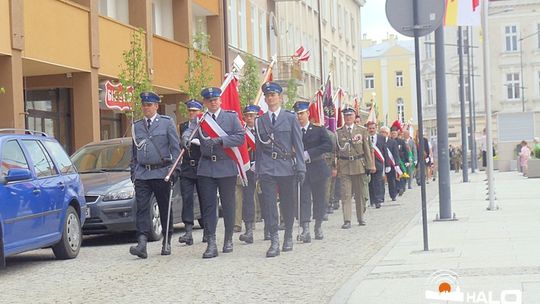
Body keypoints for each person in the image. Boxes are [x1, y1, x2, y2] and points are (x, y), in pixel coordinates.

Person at [182, 87, 245, 259]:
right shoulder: (200, 119)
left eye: (215, 99)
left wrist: (221, 140)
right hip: (207, 167)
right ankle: (211, 242)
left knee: (228, 204)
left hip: (226, 166)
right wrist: (185, 138)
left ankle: (228, 239)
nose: (213, 102)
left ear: (220, 100)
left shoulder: (230, 117)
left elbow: (240, 137)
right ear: (205, 103)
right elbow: (189, 131)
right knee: (209, 207)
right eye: (209, 100)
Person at [255, 81, 306, 257]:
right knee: (269, 205)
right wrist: (258, 170)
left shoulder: (290, 118)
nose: (270, 98)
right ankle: (274, 240)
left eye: (273, 95)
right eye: (267, 96)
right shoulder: (260, 121)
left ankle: (288, 236)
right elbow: (258, 149)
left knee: (287, 203)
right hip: (267, 167)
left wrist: (301, 167)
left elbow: (298, 145)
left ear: (280, 97)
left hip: (286, 167)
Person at [129, 91, 181, 258]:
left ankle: (166, 240)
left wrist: (175, 170)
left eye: (149, 105)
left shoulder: (166, 123)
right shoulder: (136, 126)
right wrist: (133, 172)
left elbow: (175, 148)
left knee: (164, 207)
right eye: (144, 105)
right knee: (142, 208)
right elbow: (134, 152)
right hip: (143, 173)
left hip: (161, 172)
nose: (146, 108)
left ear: (156, 106)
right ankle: (142, 242)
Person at [293, 101, 333, 242]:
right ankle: (305, 228)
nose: (299, 117)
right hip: (301, 169)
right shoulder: (293, 130)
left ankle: (318, 225)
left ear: (308, 114)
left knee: (319, 199)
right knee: (303, 199)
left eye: (302, 113)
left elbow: (328, 145)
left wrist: (309, 153)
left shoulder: (318, 129)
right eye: (297, 114)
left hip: (317, 167)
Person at [335, 106, 374, 228]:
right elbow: (336, 152)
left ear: (354, 116)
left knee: (360, 194)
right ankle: (347, 220)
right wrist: (335, 167)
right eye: (346, 116)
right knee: (346, 194)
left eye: (350, 115)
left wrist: (370, 165)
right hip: (345, 166)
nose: (348, 118)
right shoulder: (339, 132)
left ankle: (360, 218)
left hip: (359, 165)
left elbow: (367, 149)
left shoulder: (362, 131)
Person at [178, 99, 203, 246]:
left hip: (201, 166)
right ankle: (188, 231)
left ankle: (207, 231)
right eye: (190, 111)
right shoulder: (183, 127)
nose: (192, 113)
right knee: (186, 199)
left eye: (195, 111)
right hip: (187, 166)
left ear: (200, 112)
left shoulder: (204, 125)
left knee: (204, 198)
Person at [238, 104, 261, 244]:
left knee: (266, 198)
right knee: (247, 198)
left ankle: (269, 230)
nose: (249, 118)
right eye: (247, 115)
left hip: (264, 167)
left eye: (252, 115)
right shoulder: (242, 132)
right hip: (248, 168)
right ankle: (249, 230)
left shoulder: (263, 130)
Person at [367, 122, 386, 208]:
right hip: (368, 164)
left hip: (379, 163)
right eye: (370, 128)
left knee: (377, 182)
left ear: (376, 128)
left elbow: (384, 151)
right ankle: (372, 200)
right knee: (370, 183)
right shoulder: (365, 138)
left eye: (373, 128)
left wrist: (387, 165)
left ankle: (378, 200)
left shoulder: (381, 138)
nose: (371, 130)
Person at [380, 126, 400, 201]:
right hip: (381, 164)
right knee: (381, 181)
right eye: (381, 132)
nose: (382, 134)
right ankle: (381, 197)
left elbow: (396, 154)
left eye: (384, 132)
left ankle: (393, 195)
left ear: (388, 133)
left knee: (391, 181)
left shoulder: (392, 142)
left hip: (391, 164)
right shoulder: (378, 141)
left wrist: (397, 164)